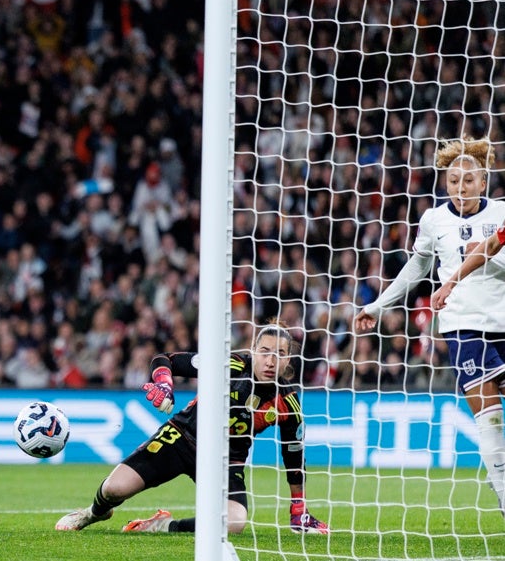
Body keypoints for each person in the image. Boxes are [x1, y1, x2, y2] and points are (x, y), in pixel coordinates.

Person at [55, 322, 329, 535]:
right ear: (253, 351)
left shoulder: (288, 404)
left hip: (225, 461)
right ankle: (92, 513)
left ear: (288, 360)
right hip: (181, 437)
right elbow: (166, 359)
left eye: (280, 354)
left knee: (234, 523)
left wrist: (298, 509)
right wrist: (164, 383)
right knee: (114, 489)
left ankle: (162, 525)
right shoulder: (229, 365)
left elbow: (294, 456)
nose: (270, 361)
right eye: (265, 351)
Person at [357, 136, 505, 512]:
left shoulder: (501, 214)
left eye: (468, 181)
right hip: (463, 326)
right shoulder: (434, 220)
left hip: (502, 319)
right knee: (490, 420)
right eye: (453, 181)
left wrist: (486, 256)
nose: (460, 188)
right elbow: (416, 270)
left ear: (484, 182)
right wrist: (377, 305)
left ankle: (497, 467)